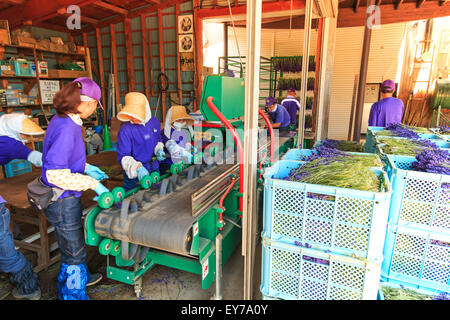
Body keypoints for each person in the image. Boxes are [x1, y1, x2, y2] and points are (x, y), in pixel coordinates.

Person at [41, 77, 108, 300]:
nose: (94, 110)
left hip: (64, 199)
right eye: (95, 106)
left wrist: (87, 167)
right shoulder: (67, 128)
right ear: (87, 103)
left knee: (72, 246)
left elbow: (63, 157)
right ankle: (72, 295)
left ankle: (76, 279)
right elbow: (55, 173)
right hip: (62, 200)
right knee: (74, 253)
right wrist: (93, 184)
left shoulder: (63, 120)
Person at [116, 92, 166, 191]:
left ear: (145, 110)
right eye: (131, 114)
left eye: (136, 114)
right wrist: (137, 168)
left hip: (154, 170)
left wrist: (159, 150)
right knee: (134, 202)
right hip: (136, 175)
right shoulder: (125, 130)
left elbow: (158, 140)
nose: (133, 119)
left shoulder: (154, 122)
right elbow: (124, 156)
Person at [160, 105, 196, 174]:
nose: (182, 122)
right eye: (179, 120)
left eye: (183, 120)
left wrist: (192, 149)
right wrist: (186, 154)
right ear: (171, 120)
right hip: (168, 166)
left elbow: (185, 144)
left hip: (180, 164)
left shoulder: (181, 131)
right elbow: (174, 150)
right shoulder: (166, 133)